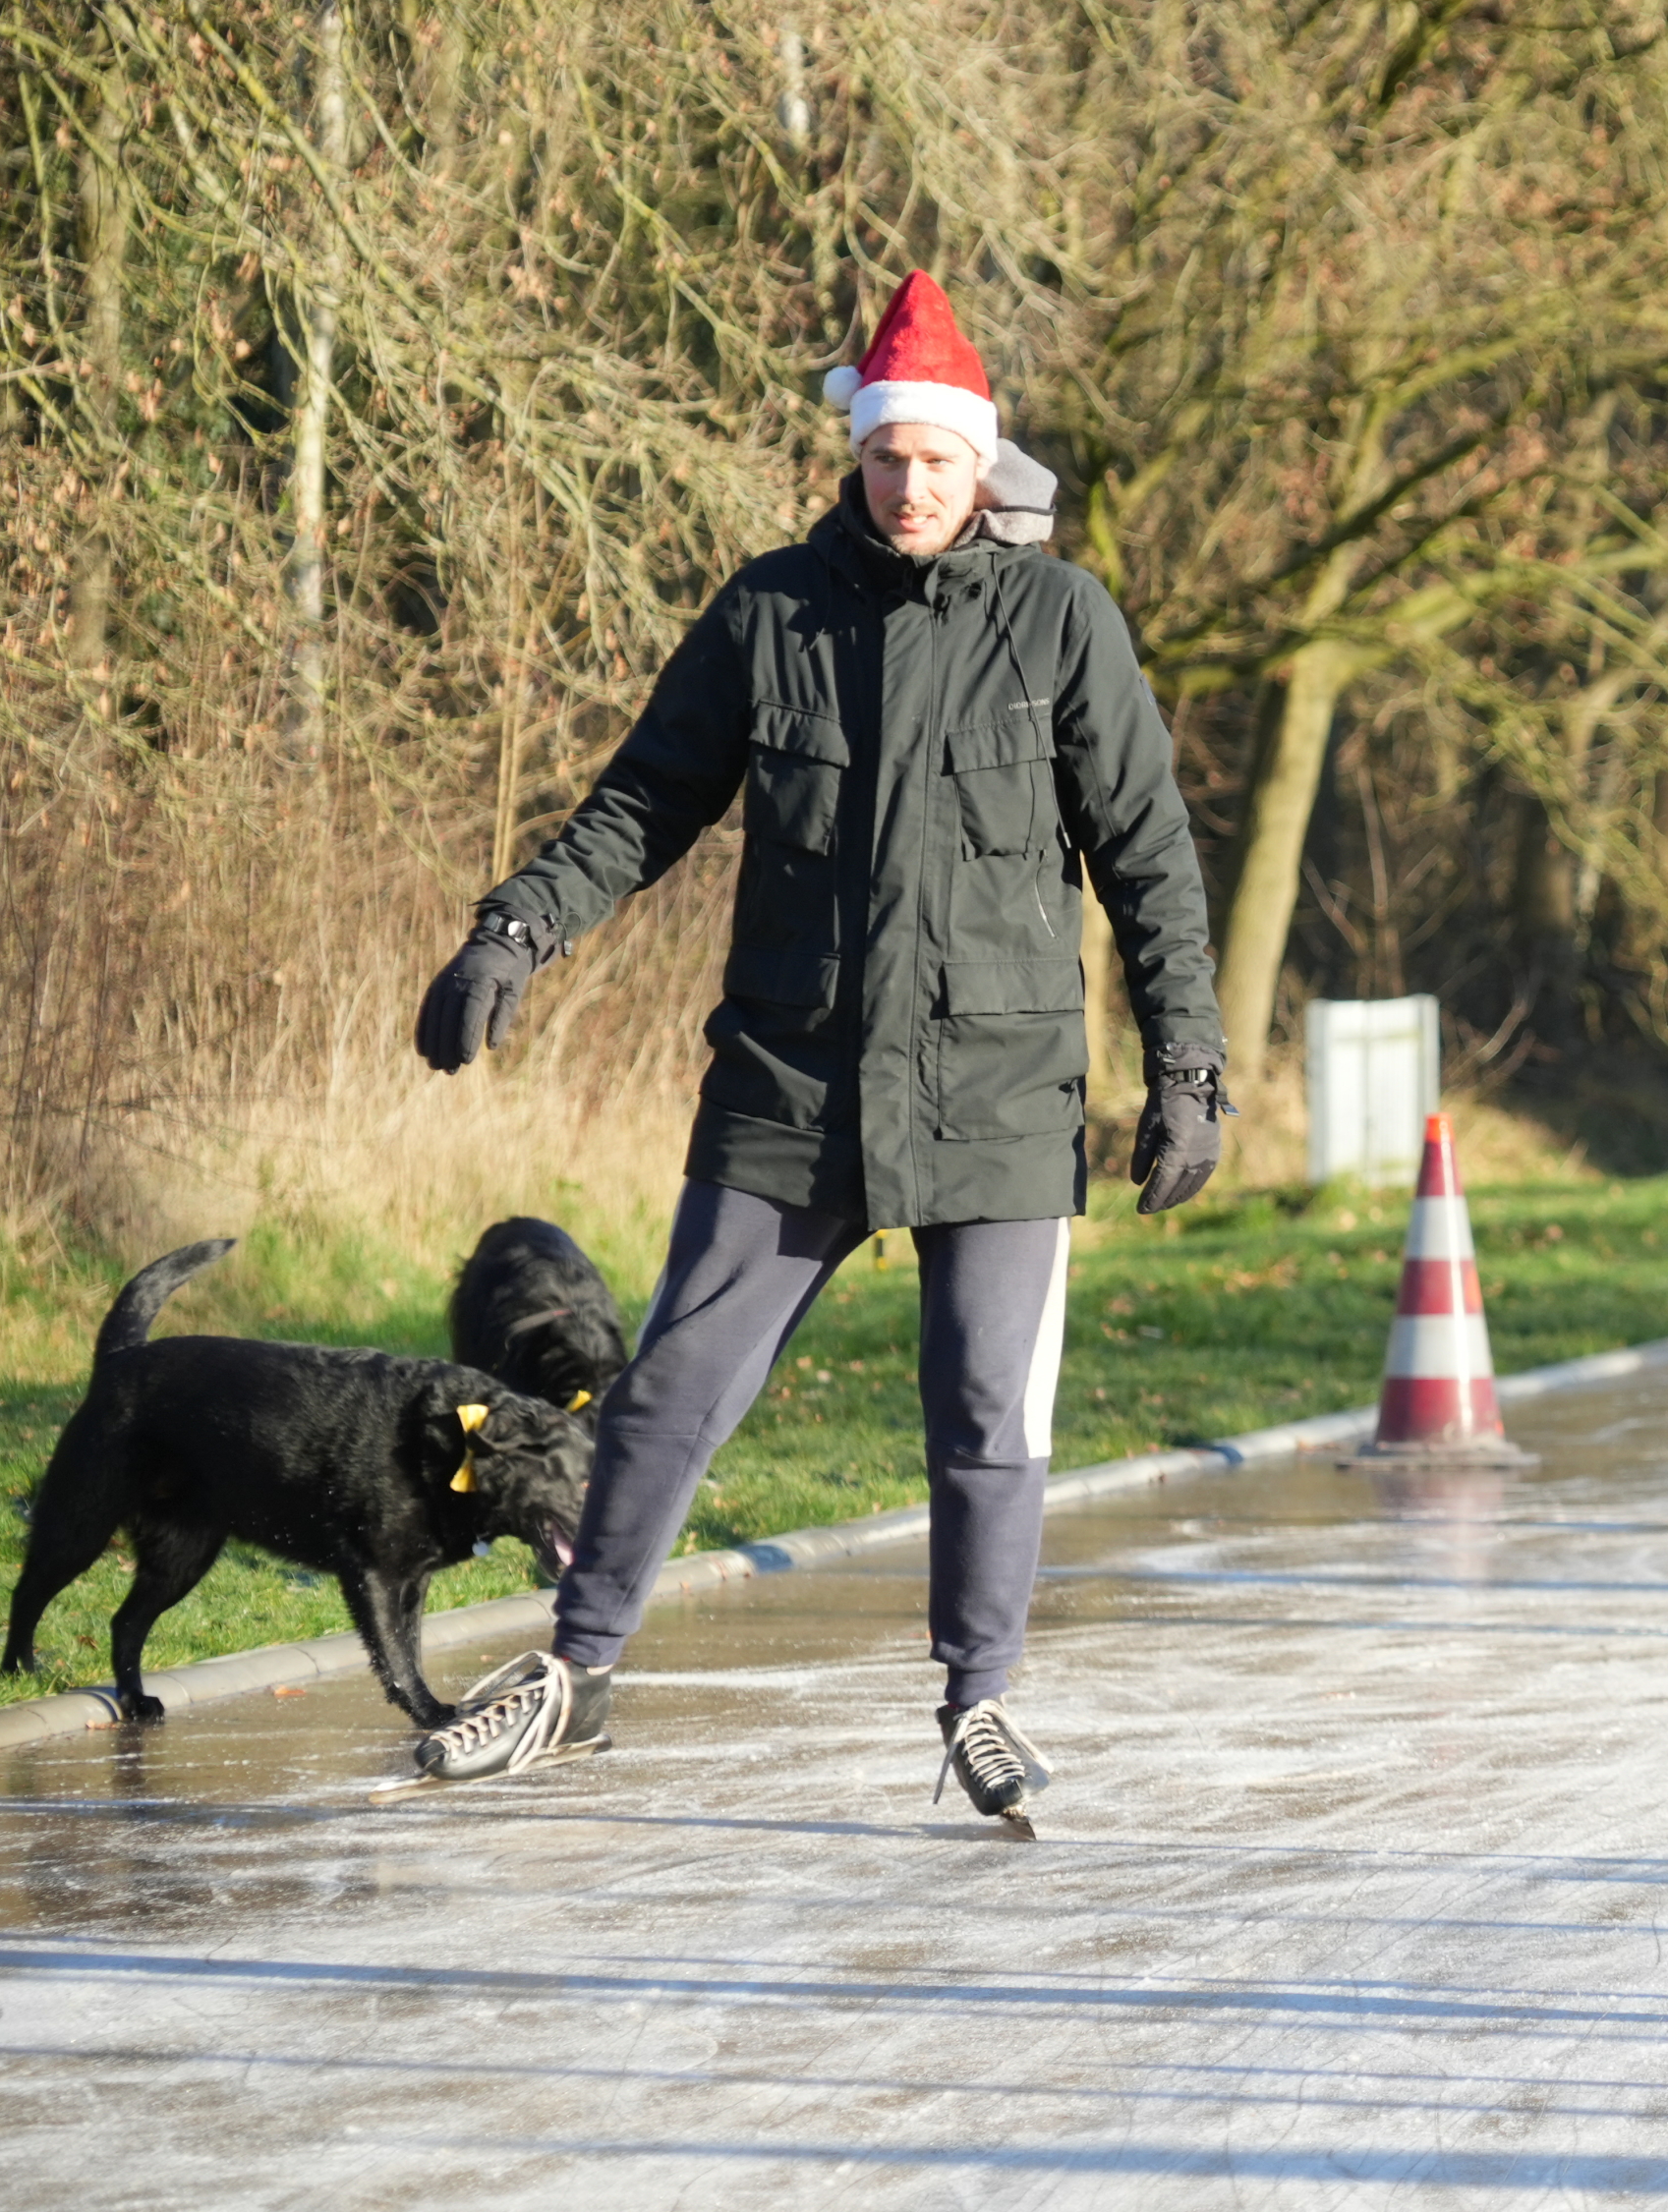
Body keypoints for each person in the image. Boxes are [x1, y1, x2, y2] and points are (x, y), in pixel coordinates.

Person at [397, 270, 1231, 1815]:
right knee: (672, 1382)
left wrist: (1187, 1067)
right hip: (793, 1081)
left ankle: (980, 1698)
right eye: (883, 456)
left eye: (936, 459)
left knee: (988, 1409)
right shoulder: (771, 611)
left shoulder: (1060, 621)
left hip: (998, 1087)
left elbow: (1149, 856)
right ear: (855, 457)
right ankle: (576, 1670)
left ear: (982, 466)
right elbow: (646, 800)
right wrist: (514, 927)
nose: (908, 485)